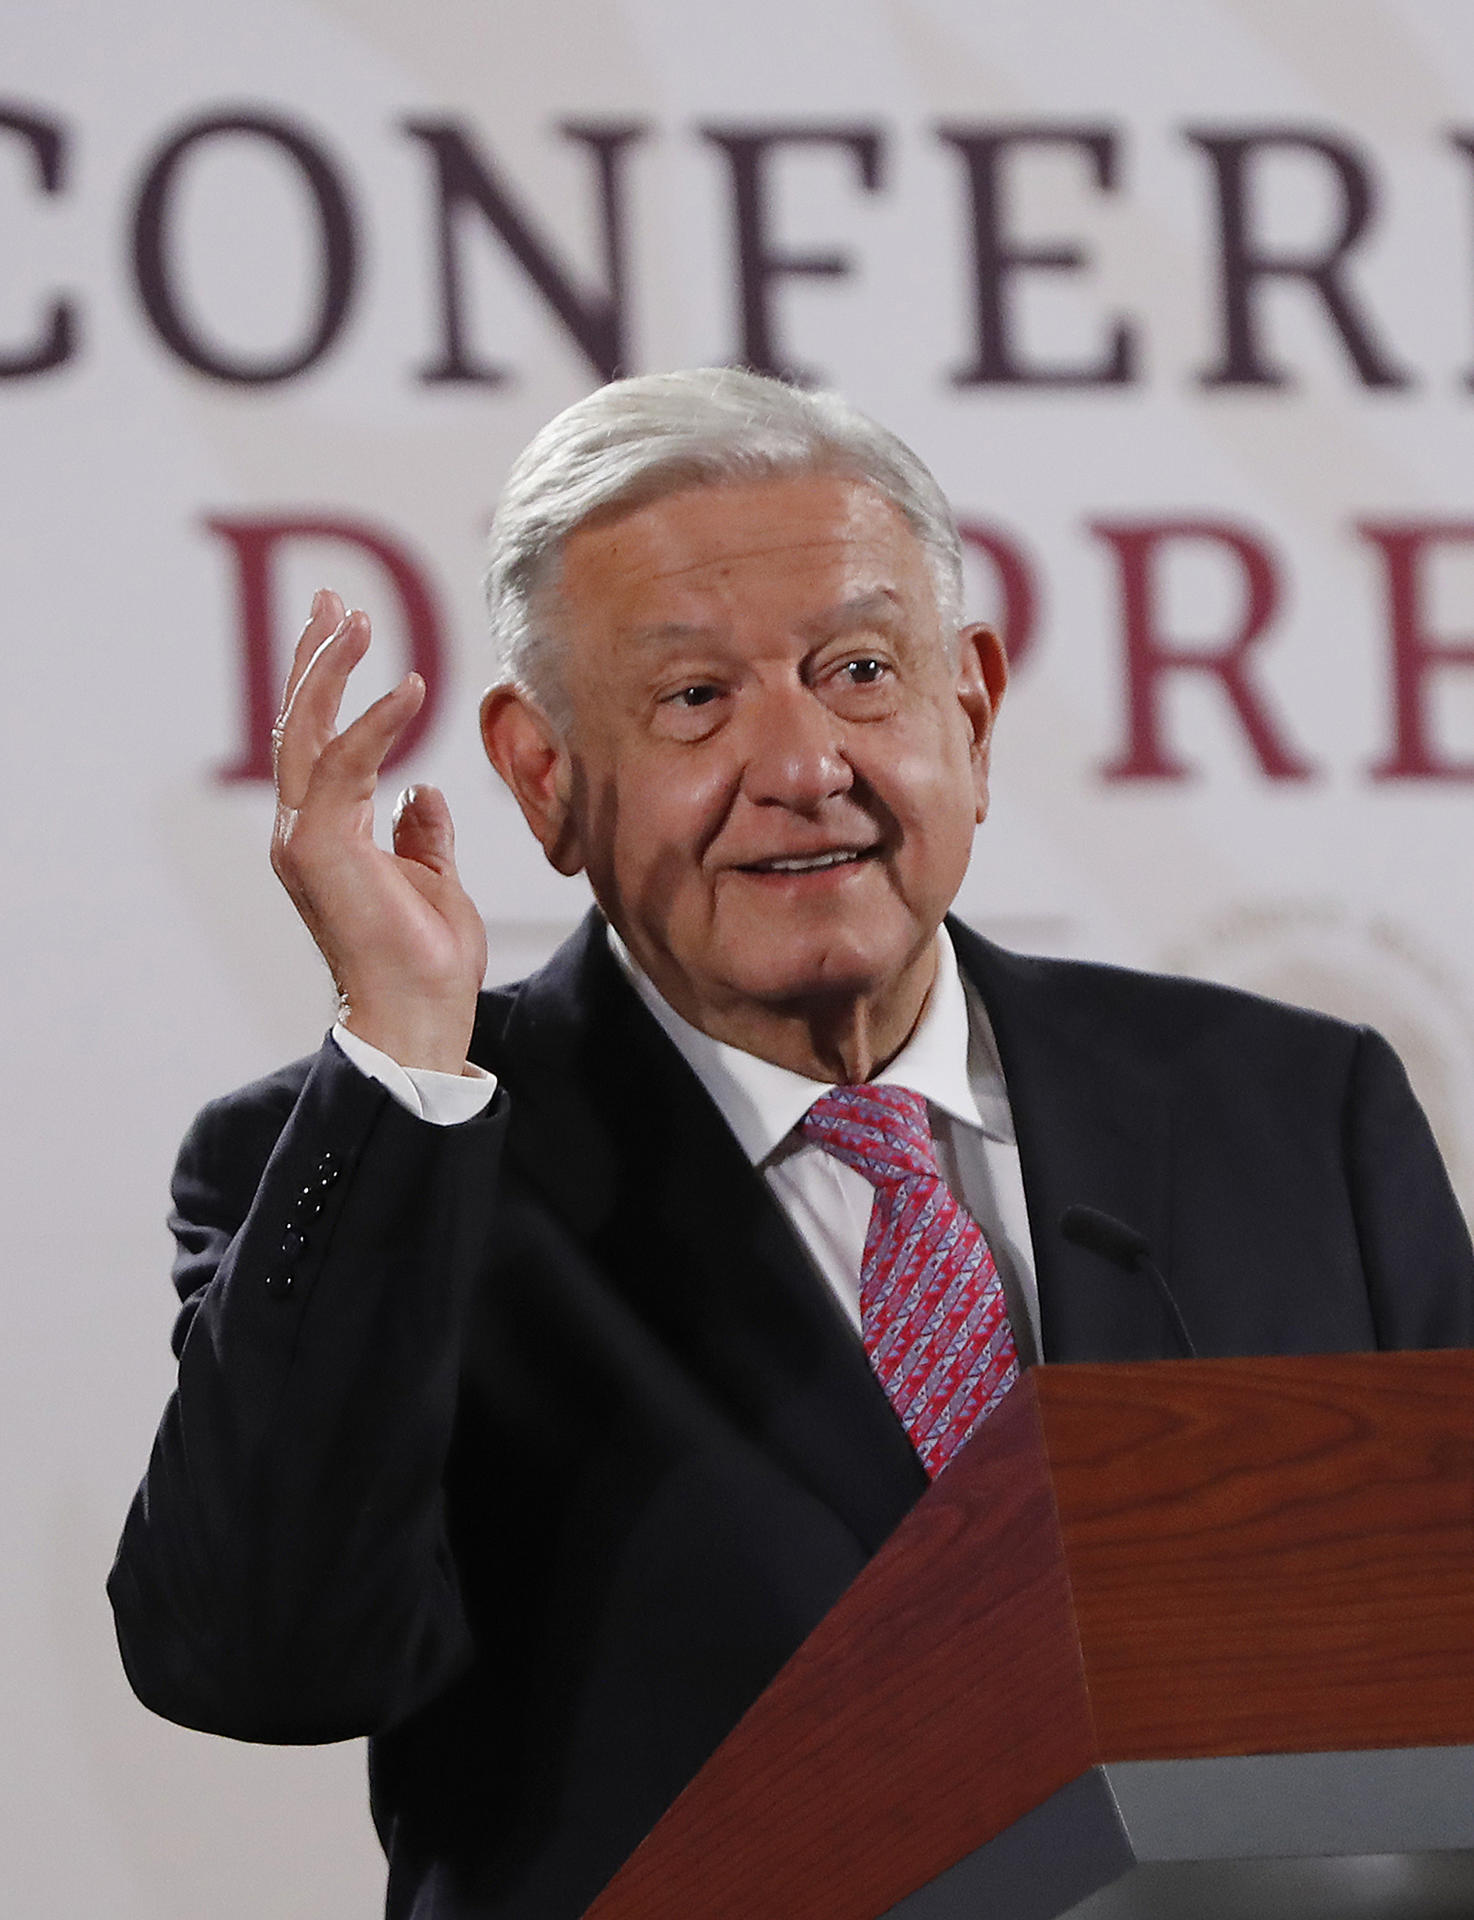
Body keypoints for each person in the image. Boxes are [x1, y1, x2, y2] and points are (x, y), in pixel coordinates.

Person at [110, 369, 1474, 1920]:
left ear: (969, 705)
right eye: (695, 698)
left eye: (858, 670)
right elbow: (260, 1659)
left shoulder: (1289, 1107)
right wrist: (405, 1052)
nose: (803, 762)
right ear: (544, 777)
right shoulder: (401, 1159)